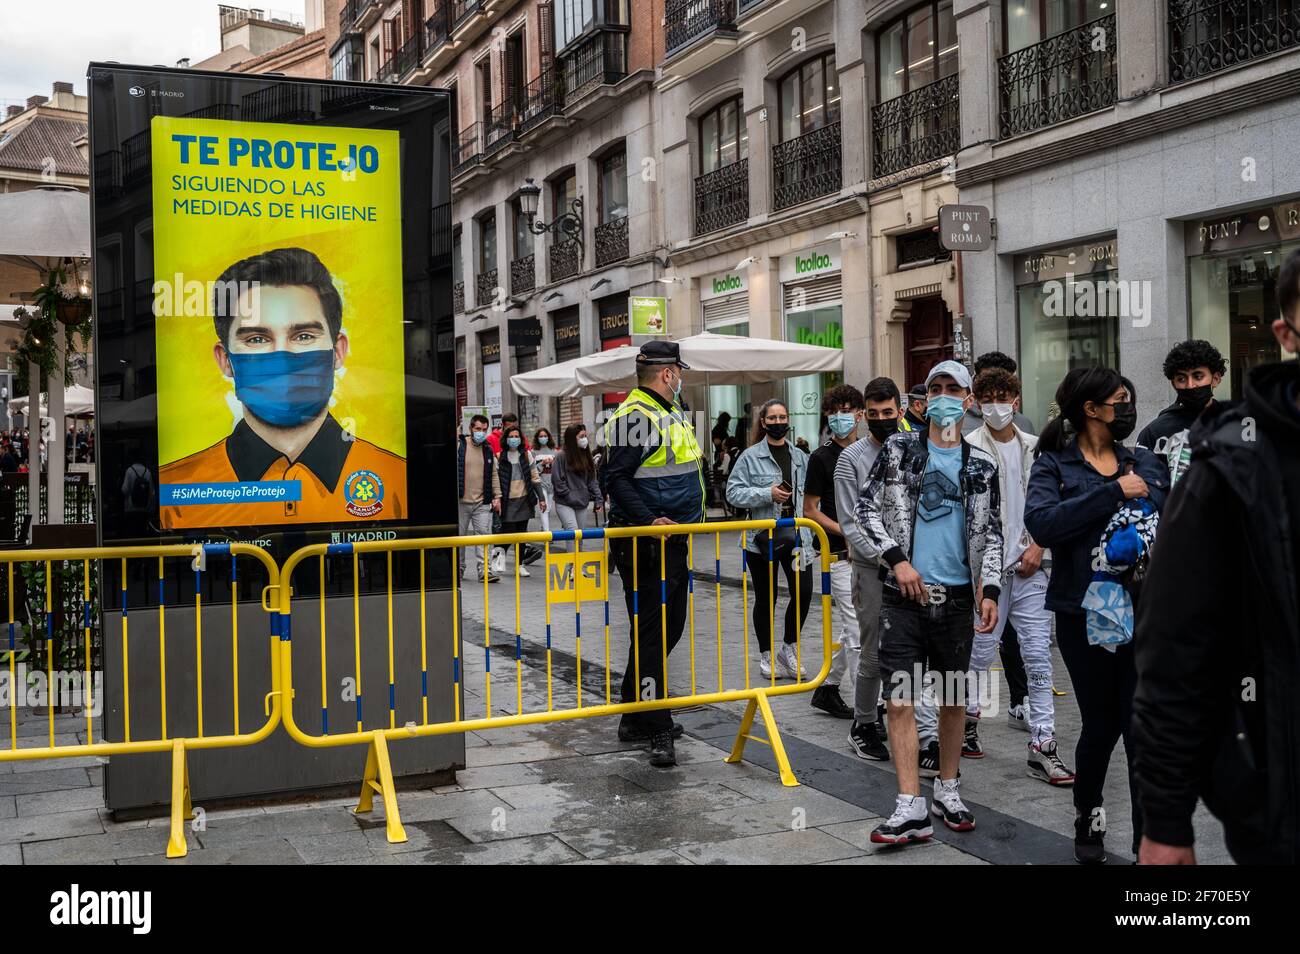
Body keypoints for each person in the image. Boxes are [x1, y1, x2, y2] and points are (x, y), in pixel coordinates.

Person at [1132, 250, 1300, 865]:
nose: (1194, 384)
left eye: (1203, 374)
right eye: (1185, 375)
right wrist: (1167, 819)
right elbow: (1176, 645)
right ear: (1285, 333)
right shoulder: (1230, 462)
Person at [1025, 367, 1168, 864]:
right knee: (1102, 725)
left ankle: (1146, 846)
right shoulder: (1054, 465)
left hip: (1145, 612)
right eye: (1119, 400)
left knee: (1140, 727)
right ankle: (1088, 811)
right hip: (1083, 612)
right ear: (1090, 409)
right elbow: (1042, 523)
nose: (1127, 408)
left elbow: (1171, 516)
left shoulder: (1145, 460)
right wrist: (1112, 492)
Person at [859, 360, 1003, 845]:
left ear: (968, 400)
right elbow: (865, 507)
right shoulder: (900, 449)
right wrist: (897, 559)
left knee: (953, 698)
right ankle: (908, 805)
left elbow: (994, 533)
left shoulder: (981, 465)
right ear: (924, 400)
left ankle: (947, 787)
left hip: (959, 600)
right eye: (934, 388)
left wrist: (990, 590)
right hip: (905, 598)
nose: (942, 396)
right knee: (899, 698)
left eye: (952, 389)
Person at [159, 247, 406, 528]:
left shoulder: (395, 478)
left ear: (338, 351)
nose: (283, 357)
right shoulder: (177, 492)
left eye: (303, 336)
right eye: (256, 339)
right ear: (225, 360)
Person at [962, 367, 1075, 783]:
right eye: (987, 397)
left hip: (1032, 566)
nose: (997, 405)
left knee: (1038, 655)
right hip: (984, 572)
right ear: (975, 402)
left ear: (1016, 400)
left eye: (1003, 396)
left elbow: (1054, 504)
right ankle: (968, 720)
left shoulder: (1036, 448)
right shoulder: (967, 447)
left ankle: (1043, 743)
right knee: (978, 650)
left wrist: (1040, 545)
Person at [602, 340, 706, 767]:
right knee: (654, 632)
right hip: (646, 542)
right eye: (679, 371)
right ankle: (658, 725)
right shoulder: (637, 416)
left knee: (664, 628)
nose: (680, 377)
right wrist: (651, 520)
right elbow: (615, 477)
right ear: (668, 374)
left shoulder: (665, 412)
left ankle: (635, 713)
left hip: (668, 540)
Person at [833, 377, 912, 763]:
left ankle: (896, 713)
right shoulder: (851, 459)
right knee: (872, 649)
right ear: (864, 415)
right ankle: (862, 723)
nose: (882, 419)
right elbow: (850, 524)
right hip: (871, 570)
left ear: (900, 410)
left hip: (912, 569)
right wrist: (890, 561)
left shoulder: (914, 450)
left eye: (889, 412)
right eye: (874, 413)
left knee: (908, 648)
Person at [727, 399, 815, 681]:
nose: (778, 423)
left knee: (802, 592)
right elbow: (733, 493)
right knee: (767, 597)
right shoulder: (750, 456)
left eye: (783, 417)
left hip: (798, 536)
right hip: (761, 540)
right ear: (763, 423)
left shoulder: (800, 456)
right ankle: (766, 654)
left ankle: (788, 648)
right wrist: (767, 493)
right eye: (773, 418)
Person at [802, 384, 865, 720]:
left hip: (869, 556)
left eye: (848, 409)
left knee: (858, 626)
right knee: (857, 630)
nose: (842, 417)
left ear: (860, 413)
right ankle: (870, 711)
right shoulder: (821, 458)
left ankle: (827, 686)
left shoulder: (870, 451)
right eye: (835, 411)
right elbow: (810, 510)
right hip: (837, 556)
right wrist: (847, 532)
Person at [1135, 339, 1227, 485]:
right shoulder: (1155, 432)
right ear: (1173, 383)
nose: (1190, 385)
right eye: (1181, 378)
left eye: (1198, 376)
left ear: (1215, 379)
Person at [496, 423, 546, 576]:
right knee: (508, 533)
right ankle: (497, 558)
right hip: (507, 501)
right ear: (506, 439)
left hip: (524, 499)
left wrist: (541, 498)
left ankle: (520, 565)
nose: (514, 439)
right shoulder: (500, 456)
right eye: (511, 437)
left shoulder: (526, 454)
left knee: (522, 535)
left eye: (516, 436)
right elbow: (495, 480)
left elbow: (534, 477)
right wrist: (496, 497)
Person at [457, 414, 501, 583]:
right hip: (461, 502)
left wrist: (497, 496)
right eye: (477, 429)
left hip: (482, 502)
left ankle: (485, 571)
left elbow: (494, 474)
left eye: (484, 430)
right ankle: (458, 570)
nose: (481, 433)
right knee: (460, 538)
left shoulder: (487, 449)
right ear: (471, 429)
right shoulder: (461, 446)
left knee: (484, 537)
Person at [551, 423, 602, 551]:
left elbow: (592, 480)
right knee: (572, 532)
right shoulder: (561, 456)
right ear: (572, 439)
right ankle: (572, 568)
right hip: (564, 503)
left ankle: (577, 566)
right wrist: (570, 495)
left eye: (585, 436)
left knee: (580, 536)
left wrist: (598, 499)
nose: (584, 439)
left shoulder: (586, 455)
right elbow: (557, 481)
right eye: (581, 436)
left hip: (581, 502)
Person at [961, 351, 1037, 436]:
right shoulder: (960, 423)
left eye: (1002, 381)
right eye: (987, 381)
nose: (995, 388)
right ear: (975, 381)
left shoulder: (1024, 424)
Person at [531, 426, 558, 529]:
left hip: (552, 483)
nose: (543, 438)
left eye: (545, 436)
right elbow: (533, 471)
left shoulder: (554, 451)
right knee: (545, 508)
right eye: (541, 436)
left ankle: (543, 526)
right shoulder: (533, 452)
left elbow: (557, 469)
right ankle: (547, 533)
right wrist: (542, 463)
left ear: (549, 437)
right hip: (540, 483)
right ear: (537, 438)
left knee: (549, 508)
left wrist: (553, 462)